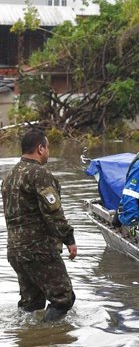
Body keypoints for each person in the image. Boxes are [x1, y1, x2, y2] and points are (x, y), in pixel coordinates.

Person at [1, 129, 77, 322]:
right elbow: (53, 212)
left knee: (31, 304)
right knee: (63, 298)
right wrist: (69, 239)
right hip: (39, 250)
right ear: (40, 148)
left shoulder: (9, 177)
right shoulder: (39, 174)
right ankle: (48, 339)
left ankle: (29, 344)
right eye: (48, 147)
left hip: (16, 252)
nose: (49, 152)